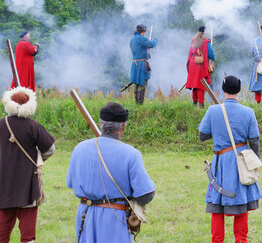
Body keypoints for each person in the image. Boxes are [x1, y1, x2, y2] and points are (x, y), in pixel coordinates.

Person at [66, 102, 155, 243]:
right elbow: (145, 195)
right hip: (114, 219)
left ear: (101, 123)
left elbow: (71, 183)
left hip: (85, 216)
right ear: (123, 126)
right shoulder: (131, 154)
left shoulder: (79, 148)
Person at [199, 75, 262, 243]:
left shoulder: (213, 110)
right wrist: (255, 163)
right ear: (239, 90)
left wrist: (216, 124)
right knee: (241, 203)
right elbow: (254, 141)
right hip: (242, 162)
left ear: (223, 90)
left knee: (217, 206)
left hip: (220, 163)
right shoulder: (248, 112)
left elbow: (202, 135)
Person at [0, 86, 55, 243]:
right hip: (28, 184)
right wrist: (37, 159)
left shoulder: (0, 124)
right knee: (28, 235)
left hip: (4, 184)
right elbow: (50, 150)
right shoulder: (34, 126)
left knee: (1, 233)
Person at [186, 26, 215, 108]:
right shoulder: (206, 42)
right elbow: (211, 55)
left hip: (192, 63)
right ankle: (201, 104)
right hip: (200, 65)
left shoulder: (193, 40)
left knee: (195, 84)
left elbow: (190, 53)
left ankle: (194, 103)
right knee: (201, 85)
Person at [129, 24, 157, 105]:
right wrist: (154, 40)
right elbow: (152, 44)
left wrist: (147, 41)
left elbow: (143, 45)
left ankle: (136, 103)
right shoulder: (141, 38)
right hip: (141, 64)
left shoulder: (133, 39)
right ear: (143, 31)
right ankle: (140, 103)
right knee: (143, 83)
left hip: (135, 64)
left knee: (136, 83)